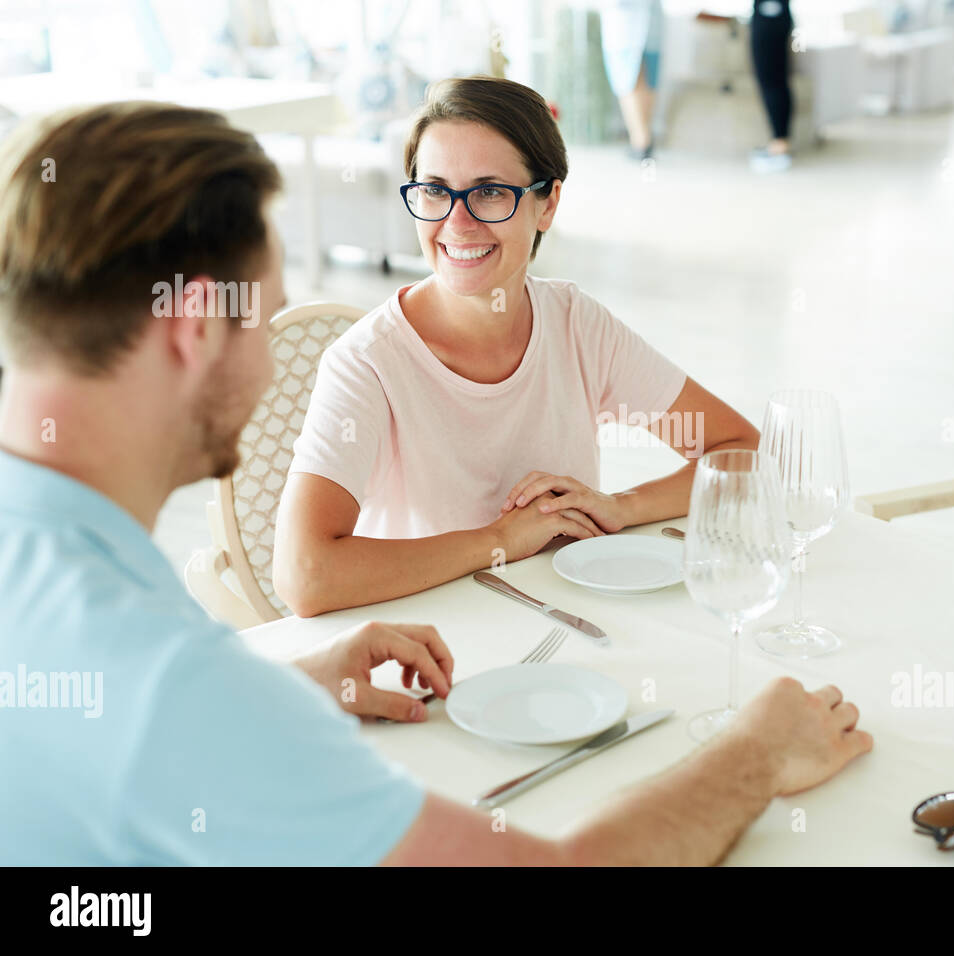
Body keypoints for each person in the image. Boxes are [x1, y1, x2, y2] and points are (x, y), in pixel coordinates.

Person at [0, 101, 872, 866]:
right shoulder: (169, 688)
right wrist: (758, 749)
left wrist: (292, 683)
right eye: (262, 318)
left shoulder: (77, 596)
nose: (271, 361)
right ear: (195, 328)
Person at [273, 76, 757, 618]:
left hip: (568, 627)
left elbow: (742, 452)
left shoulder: (576, 325)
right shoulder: (367, 363)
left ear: (546, 205)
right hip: (431, 655)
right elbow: (304, 575)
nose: (456, 222)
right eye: (434, 189)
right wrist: (499, 539)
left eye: (489, 192)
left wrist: (620, 506)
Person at [599, 0, 663, 160]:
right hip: (648, 15)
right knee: (645, 72)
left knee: (627, 75)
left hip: (626, 19)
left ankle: (641, 141)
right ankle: (643, 139)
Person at [749, 0, 795, 173]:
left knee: (771, 82)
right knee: (775, 81)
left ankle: (780, 147)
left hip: (769, 17)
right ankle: (779, 143)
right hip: (773, 15)